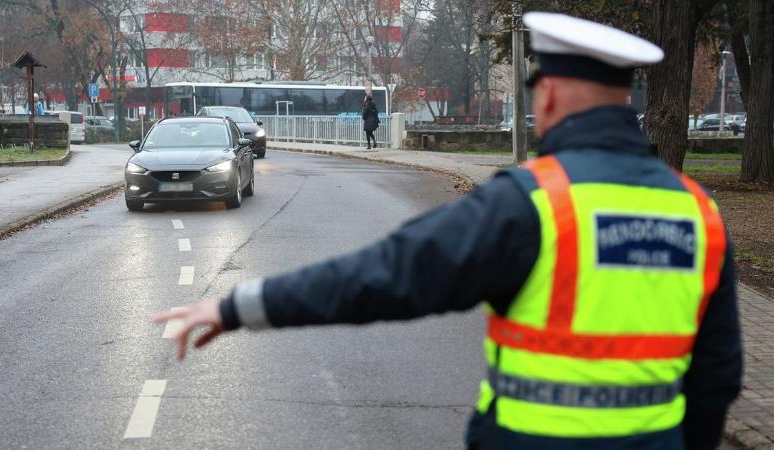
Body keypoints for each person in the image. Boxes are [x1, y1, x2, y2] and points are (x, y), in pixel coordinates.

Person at [155, 12, 741, 450]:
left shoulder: (532, 205)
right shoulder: (699, 212)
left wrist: (238, 306)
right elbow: (719, 375)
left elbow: (386, 275)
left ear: (553, 94)